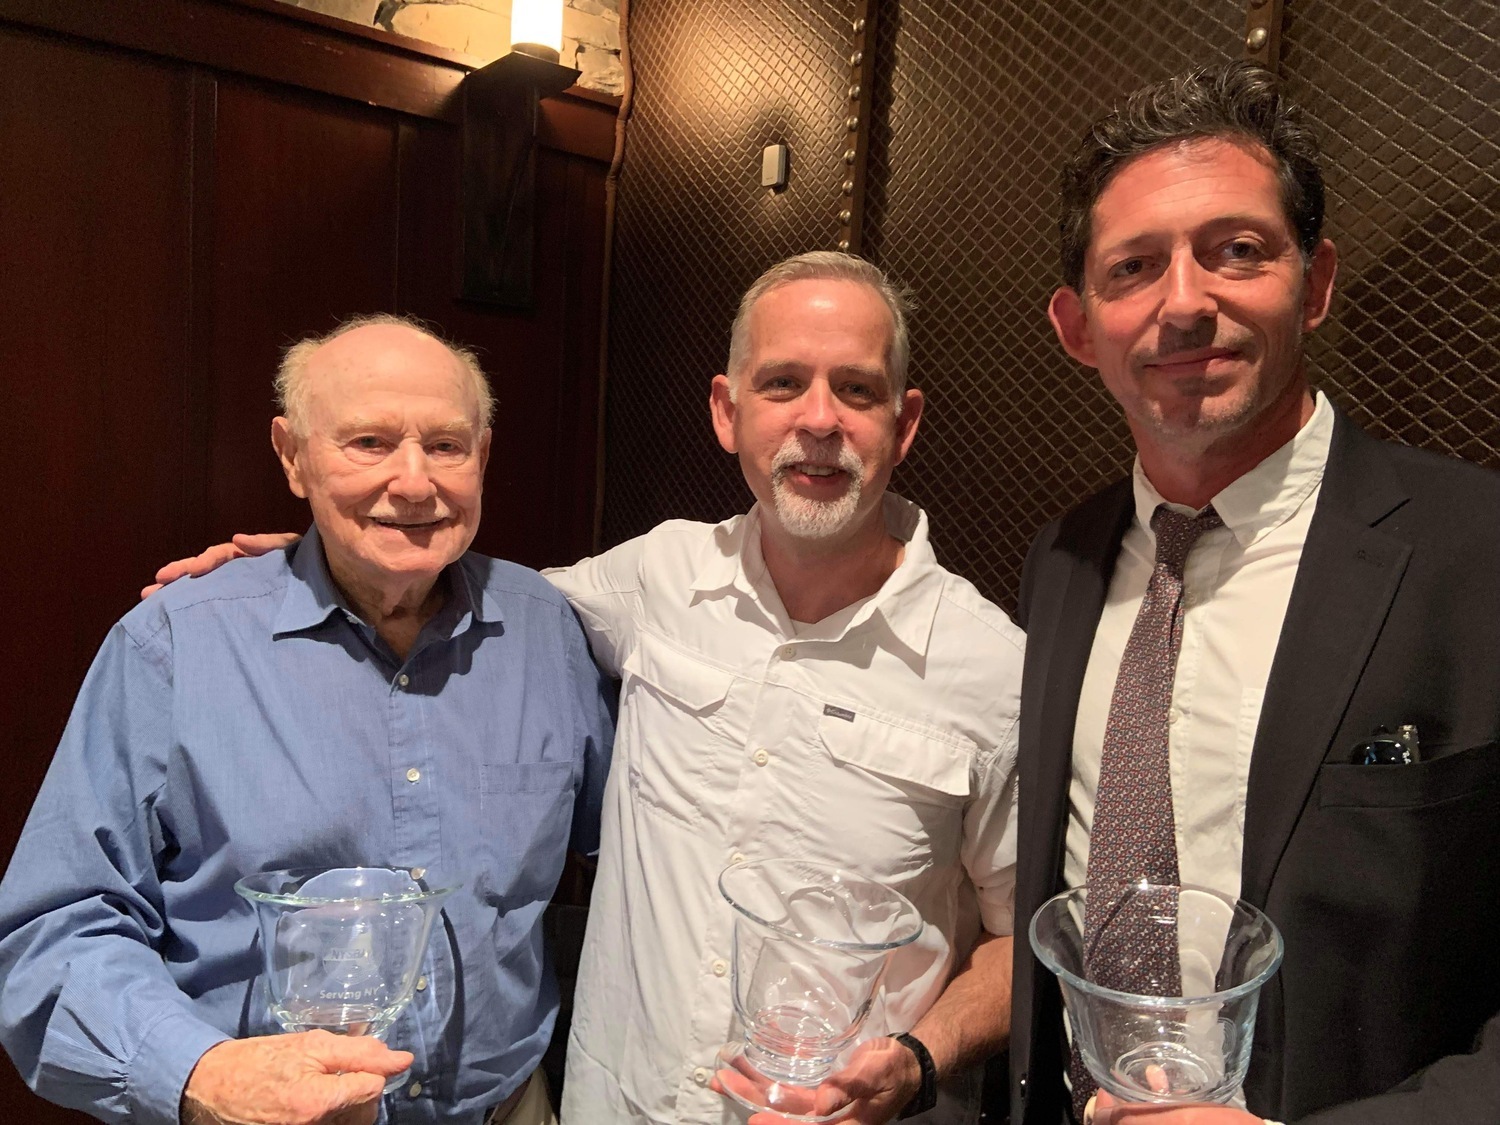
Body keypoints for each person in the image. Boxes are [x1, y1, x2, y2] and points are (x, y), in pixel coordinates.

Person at [145, 252, 1027, 1125]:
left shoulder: (993, 669)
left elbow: (1021, 940)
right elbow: (458, 572)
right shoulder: (656, 576)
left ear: (906, 422)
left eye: (859, 390)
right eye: (784, 383)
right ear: (728, 410)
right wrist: (323, 556)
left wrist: (920, 1061)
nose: (820, 419)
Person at [1011, 62, 1500, 1125]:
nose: (1185, 303)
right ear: (1077, 326)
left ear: (1315, 283)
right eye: (1134, 267)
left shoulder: (1479, 555)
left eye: (1236, 251)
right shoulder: (1059, 562)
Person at [0, 316, 615, 1125]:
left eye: (446, 444)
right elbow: (55, 931)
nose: (414, 481)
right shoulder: (175, 645)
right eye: (368, 442)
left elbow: (642, 852)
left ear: (484, 456)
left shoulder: (551, 632)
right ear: (293, 456)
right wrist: (203, 1074)